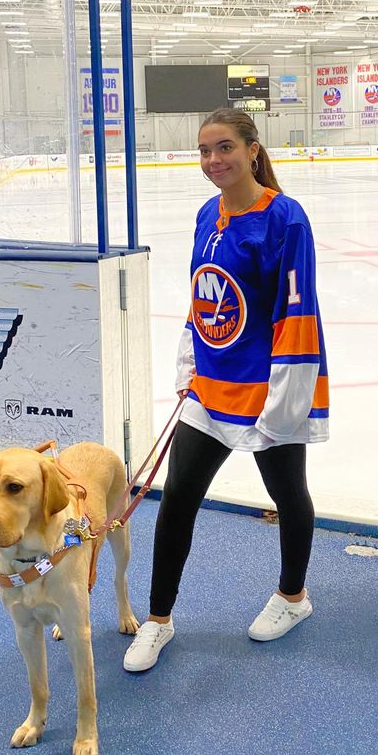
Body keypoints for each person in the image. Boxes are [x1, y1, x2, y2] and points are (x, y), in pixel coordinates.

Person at [123, 108, 329, 672]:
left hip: (267, 388)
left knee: (288, 494)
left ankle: (293, 597)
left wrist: (285, 401)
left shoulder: (285, 219)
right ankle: (158, 619)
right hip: (211, 389)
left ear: (252, 151)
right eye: (205, 150)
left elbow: (297, 311)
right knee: (178, 500)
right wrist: (189, 364)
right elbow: (202, 296)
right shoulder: (206, 215)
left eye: (225, 148)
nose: (213, 160)